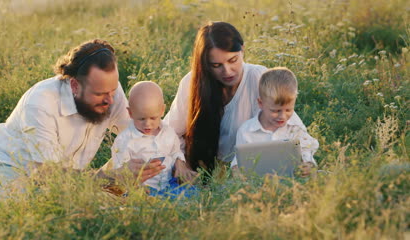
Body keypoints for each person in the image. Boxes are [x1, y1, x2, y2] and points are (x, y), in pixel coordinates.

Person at [0, 39, 164, 200]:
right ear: (74, 86)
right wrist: (111, 178)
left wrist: (144, 169)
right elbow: (48, 175)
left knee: (115, 207)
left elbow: (137, 134)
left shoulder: (109, 92)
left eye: (113, 91)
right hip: (4, 166)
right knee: (5, 213)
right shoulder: (40, 103)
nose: (110, 100)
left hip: (65, 180)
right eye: (99, 94)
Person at [164, 21, 268, 182]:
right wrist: (180, 162)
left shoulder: (259, 78)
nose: (227, 71)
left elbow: (285, 128)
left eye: (233, 60)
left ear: (243, 50)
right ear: (205, 64)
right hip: (200, 171)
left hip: (249, 172)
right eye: (216, 65)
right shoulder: (192, 83)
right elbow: (168, 132)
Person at [111, 81, 195, 198]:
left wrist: (180, 163)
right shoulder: (125, 140)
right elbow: (121, 170)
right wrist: (133, 185)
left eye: (153, 118)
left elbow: (175, 151)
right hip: (144, 189)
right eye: (141, 119)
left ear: (162, 110)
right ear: (130, 113)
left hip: (169, 184)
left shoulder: (168, 132)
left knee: (192, 192)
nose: (148, 124)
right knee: (135, 199)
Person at [231, 67, 319, 177]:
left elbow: (306, 149)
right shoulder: (246, 131)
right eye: (275, 111)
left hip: (292, 181)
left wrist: (308, 164)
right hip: (258, 184)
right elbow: (239, 159)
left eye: (288, 110)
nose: (282, 116)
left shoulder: (295, 126)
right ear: (260, 103)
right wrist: (236, 170)